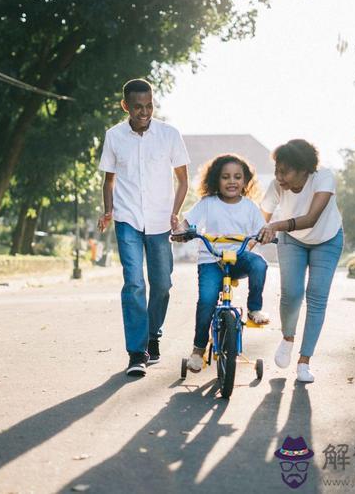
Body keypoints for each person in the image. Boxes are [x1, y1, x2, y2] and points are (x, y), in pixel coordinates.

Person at [97, 78, 190, 377]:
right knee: (135, 283)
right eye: (137, 107)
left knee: (162, 284)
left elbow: (183, 179)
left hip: (161, 221)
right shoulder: (114, 136)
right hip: (127, 219)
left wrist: (175, 213)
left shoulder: (169, 134)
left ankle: (153, 336)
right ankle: (136, 352)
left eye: (149, 106)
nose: (144, 112)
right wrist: (108, 210)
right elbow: (109, 180)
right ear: (126, 106)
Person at [173, 154, 269, 373]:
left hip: (238, 258)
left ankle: (255, 309)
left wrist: (264, 236)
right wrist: (181, 232)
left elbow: (261, 231)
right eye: (225, 177)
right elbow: (186, 223)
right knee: (207, 300)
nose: (232, 181)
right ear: (217, 180)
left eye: (237, 177)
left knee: (259, 265)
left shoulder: (250, 207)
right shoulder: (208, 203)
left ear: (245, 182)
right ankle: (198, 350)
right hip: (211, 260)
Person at [258, 139, 343, 383]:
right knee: (292, 293)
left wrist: (275, 225)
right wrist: (251, 240)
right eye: (276, 170)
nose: (279, 176)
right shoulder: (277, 186)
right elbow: (260, 219)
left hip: (327, 239)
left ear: (304, 169)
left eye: (285, 171)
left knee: (316, 297)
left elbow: (311, 218)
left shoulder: (323, 178)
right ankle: (287, 338)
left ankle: (304, 361)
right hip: (292, 240)